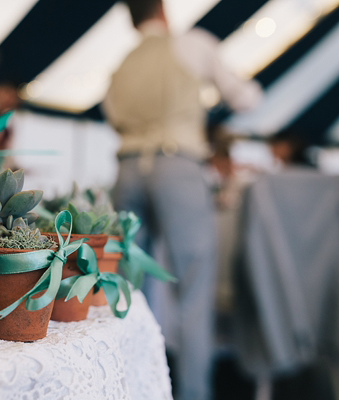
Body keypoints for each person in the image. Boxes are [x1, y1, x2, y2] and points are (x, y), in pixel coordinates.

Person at [103, 1, 262, 400]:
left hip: (126, 169)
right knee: (193, 288)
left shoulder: (120, 66)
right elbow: (246, 98)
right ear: (162, 10)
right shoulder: (192, 44)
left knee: (127, 291)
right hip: (177, 163)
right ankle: (193, 393)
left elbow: (113, 115)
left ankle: (133, 390)